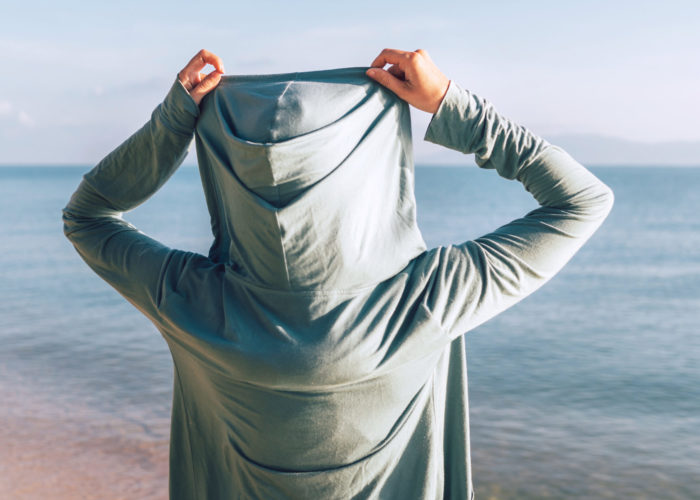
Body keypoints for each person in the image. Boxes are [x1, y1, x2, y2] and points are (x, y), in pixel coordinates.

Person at [63, 48, 614, 499]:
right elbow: (583, 201)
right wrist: (452, 105)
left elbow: (87, 216)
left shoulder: (194, 303)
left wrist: (175, 122)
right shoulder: (426, 301)